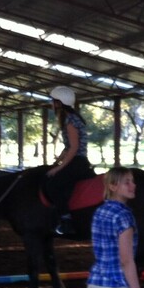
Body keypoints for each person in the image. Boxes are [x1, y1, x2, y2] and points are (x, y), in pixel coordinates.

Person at [44, 86, 94, 235]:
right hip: (78, 159)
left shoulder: (70, 120)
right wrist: (56, 162)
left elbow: (73, 148)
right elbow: (67, 148)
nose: (52, 105)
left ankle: (66, 221)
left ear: (59, 103)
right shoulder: (72, 117)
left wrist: (58, 168)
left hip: (77, 161)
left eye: (53, 102)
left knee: (54, 185)